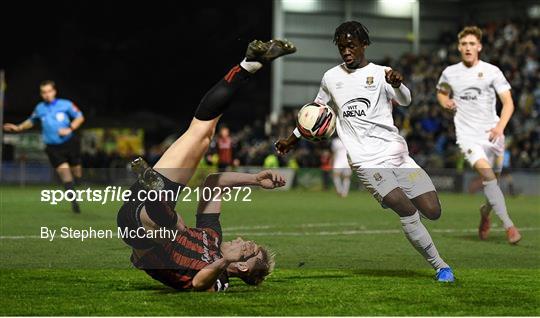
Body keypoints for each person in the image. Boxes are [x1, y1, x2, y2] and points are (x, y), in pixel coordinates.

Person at [275, 21, 454, 282]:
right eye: (342, 47)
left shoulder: (383, 73)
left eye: (351, 46)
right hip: (365, 161)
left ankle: (434, 253)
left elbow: (406, 101)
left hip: (396, 154)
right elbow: (316, 112)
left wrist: (398, 84)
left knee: (433, 211)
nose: (346, 51)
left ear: (363, 45)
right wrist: (293, 138)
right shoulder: (331, 78)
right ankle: (441, 266)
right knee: (405, 209)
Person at [116, 39, 295, 291]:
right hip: (149, 201)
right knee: (201, 134)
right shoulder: (211, 236)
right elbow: (213, 184)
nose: (242, 240)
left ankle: (157, 195)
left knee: (172, 225)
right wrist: (254, 179)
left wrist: (224, 261)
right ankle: (249, 65)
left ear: (242, 266)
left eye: (247, 248)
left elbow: (199, 284)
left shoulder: (219, 278)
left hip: (141, 229)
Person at [436, 26, 521, 244]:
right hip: (467, 136)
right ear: (459, 47)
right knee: (489, 177)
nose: (468, 47)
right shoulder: (450, 72)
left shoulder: (492, 71)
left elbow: (509, 103)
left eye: (472, 44)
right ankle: (509, 226)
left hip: (493, 134)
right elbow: (442, 92)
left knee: (493, 185)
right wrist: (445, 102)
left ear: (479, 47)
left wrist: (500, 128)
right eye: (464, 44)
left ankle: (485, 213)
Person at [3, 80, 85, 213]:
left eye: (49, 91)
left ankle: (78, 185)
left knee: (77, 172)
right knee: (65, 173)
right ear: (41, 94)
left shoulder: (66, 104)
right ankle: (74, 202)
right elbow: (31, 121)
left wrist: (70, 128)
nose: (47, 94)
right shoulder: (40, 108)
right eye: (44, 92)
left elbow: (80, 117)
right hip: (52, 147)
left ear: (54, 91)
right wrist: (18, 127)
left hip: (69, 144)